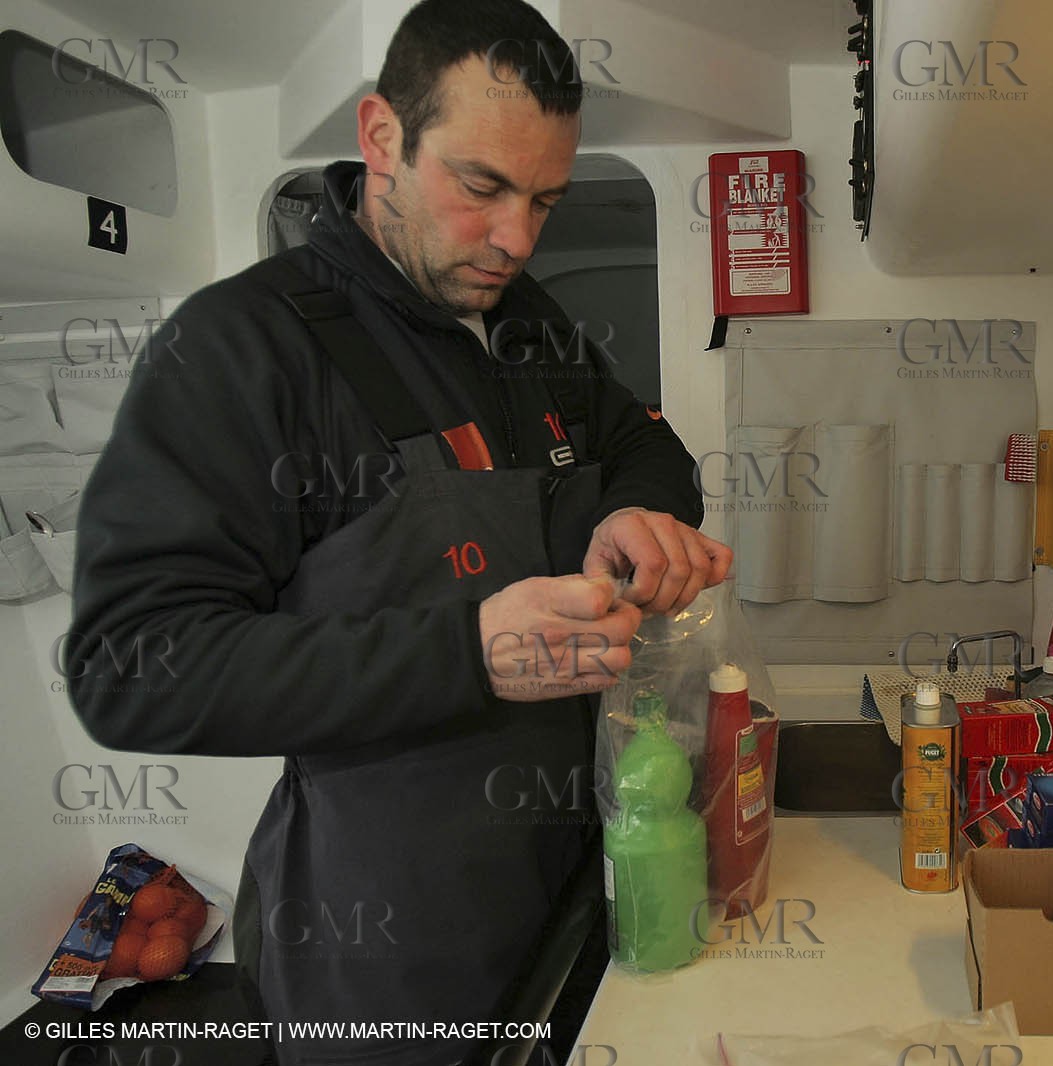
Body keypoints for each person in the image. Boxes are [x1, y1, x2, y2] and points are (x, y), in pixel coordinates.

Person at [66, 1, 730, 1062]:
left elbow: (650, 448)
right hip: (382, 947)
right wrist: (467, 651)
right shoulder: (240, 347)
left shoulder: (530, 324)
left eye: (546, 200)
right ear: (381, 137)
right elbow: (130, 666)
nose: (517, 238)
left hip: (575, 887)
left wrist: (632, 511)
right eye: (483, 188)